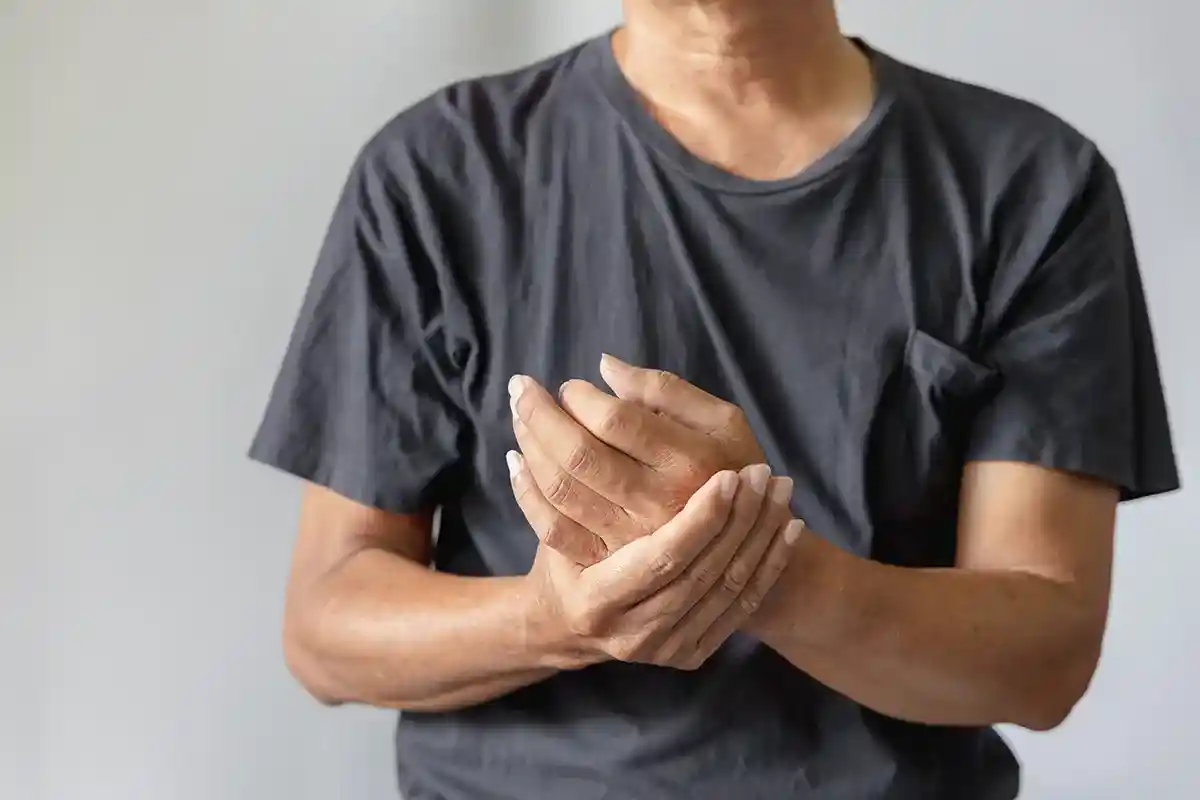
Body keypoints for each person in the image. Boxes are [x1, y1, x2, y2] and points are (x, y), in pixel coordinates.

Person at [248, 1, 1180, 798]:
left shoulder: (1031, 187)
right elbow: (327, 626)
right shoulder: (437, 175)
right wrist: (553, 620)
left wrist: (764, 571)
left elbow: (1043, 655)